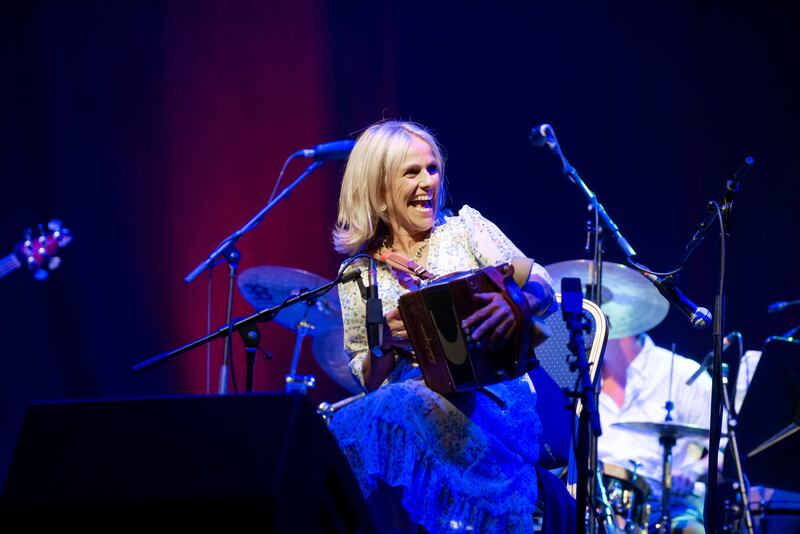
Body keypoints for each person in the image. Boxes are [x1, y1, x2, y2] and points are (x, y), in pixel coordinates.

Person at [328, 120, 570, 533]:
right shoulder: (359, 274)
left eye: (433, 169)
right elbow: (368, 379)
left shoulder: (465, 229)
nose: (428, 182)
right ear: (380, 190)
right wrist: (383, 343)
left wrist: (518, 303)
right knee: (344, 426)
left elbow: (543, 285)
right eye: (412, 172)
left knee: (394, 407)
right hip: (411, 411)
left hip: (492, 402)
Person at [598, 333, 712, 534]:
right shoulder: (579, 373)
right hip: (591, 498)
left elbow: (728, 451)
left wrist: (693, 471)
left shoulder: (682, 374)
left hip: (662, 503)